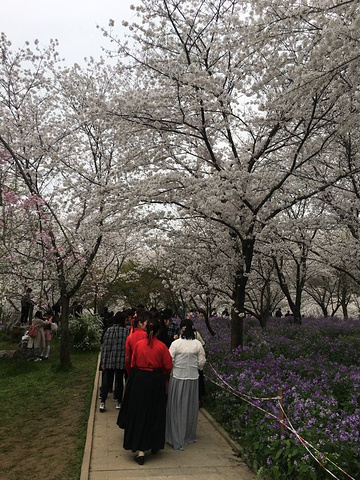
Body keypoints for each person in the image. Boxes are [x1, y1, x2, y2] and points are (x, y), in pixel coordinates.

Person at [117, 317, 173, 465]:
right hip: (155, 380)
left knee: (139, 412)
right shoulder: (162, 347)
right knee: (155, 412)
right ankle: (154, 443)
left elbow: (133, 362)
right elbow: (168, 366)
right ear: (158, 331)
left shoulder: (139, 345)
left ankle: (140, 450)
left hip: (139, 379)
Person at [165, 318, 206, 451]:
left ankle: (175, 434)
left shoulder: (176, 343)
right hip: (192, 378)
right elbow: (201, 363)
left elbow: (169, 360)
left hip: (178, 378)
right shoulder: (197, 344)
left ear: (181, 329)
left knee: (177, 407)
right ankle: (188, 434)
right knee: (189, 407)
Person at [99, 311, 128, 412]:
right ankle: (119, 402)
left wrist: (103, 360)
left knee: (107, 381)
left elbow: (105, 346)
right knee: (119, 381)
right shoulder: (126, 331)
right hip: (120, 359)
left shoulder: (109, 330)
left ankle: (102, 402)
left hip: (110, 359)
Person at [124, 311, 149, 375]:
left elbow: (127, 358)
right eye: (146, 322)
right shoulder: (147, 336)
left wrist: (129, 372)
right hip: (147, 368)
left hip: (134, 368)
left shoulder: (130, 337)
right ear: (140, 323)